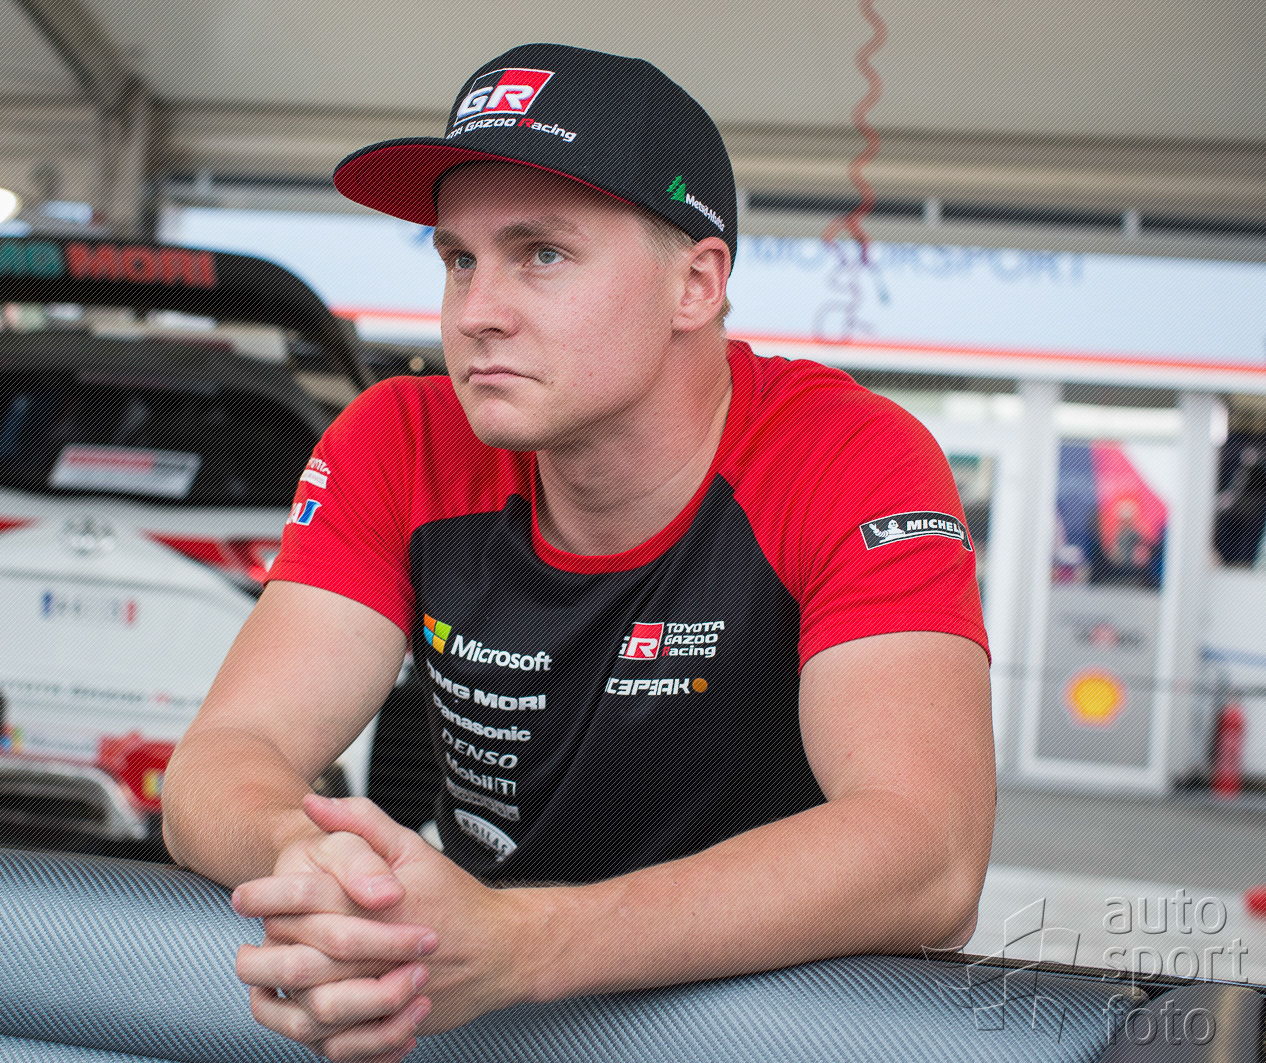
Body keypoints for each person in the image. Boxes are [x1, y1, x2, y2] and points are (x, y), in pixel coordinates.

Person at [162, 42, 995, 1063]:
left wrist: (524, 941)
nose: (475, 313)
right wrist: (318, 868)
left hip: (776, 1026)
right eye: (458, 260)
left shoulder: (848, 456)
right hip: (475, 1012)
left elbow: (929, 857)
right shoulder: (399, 437)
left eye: (541, 255)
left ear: (695, 284)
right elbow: (220, 758)